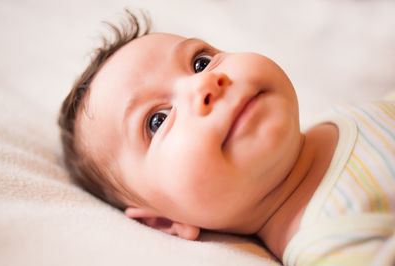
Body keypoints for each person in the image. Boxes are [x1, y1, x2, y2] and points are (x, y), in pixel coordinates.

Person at [58, 10, 395, 265]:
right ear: (162, 221)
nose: (205, 84)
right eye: (157, 121)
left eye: (200, 62)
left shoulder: (341, 115)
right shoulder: (333, 243)